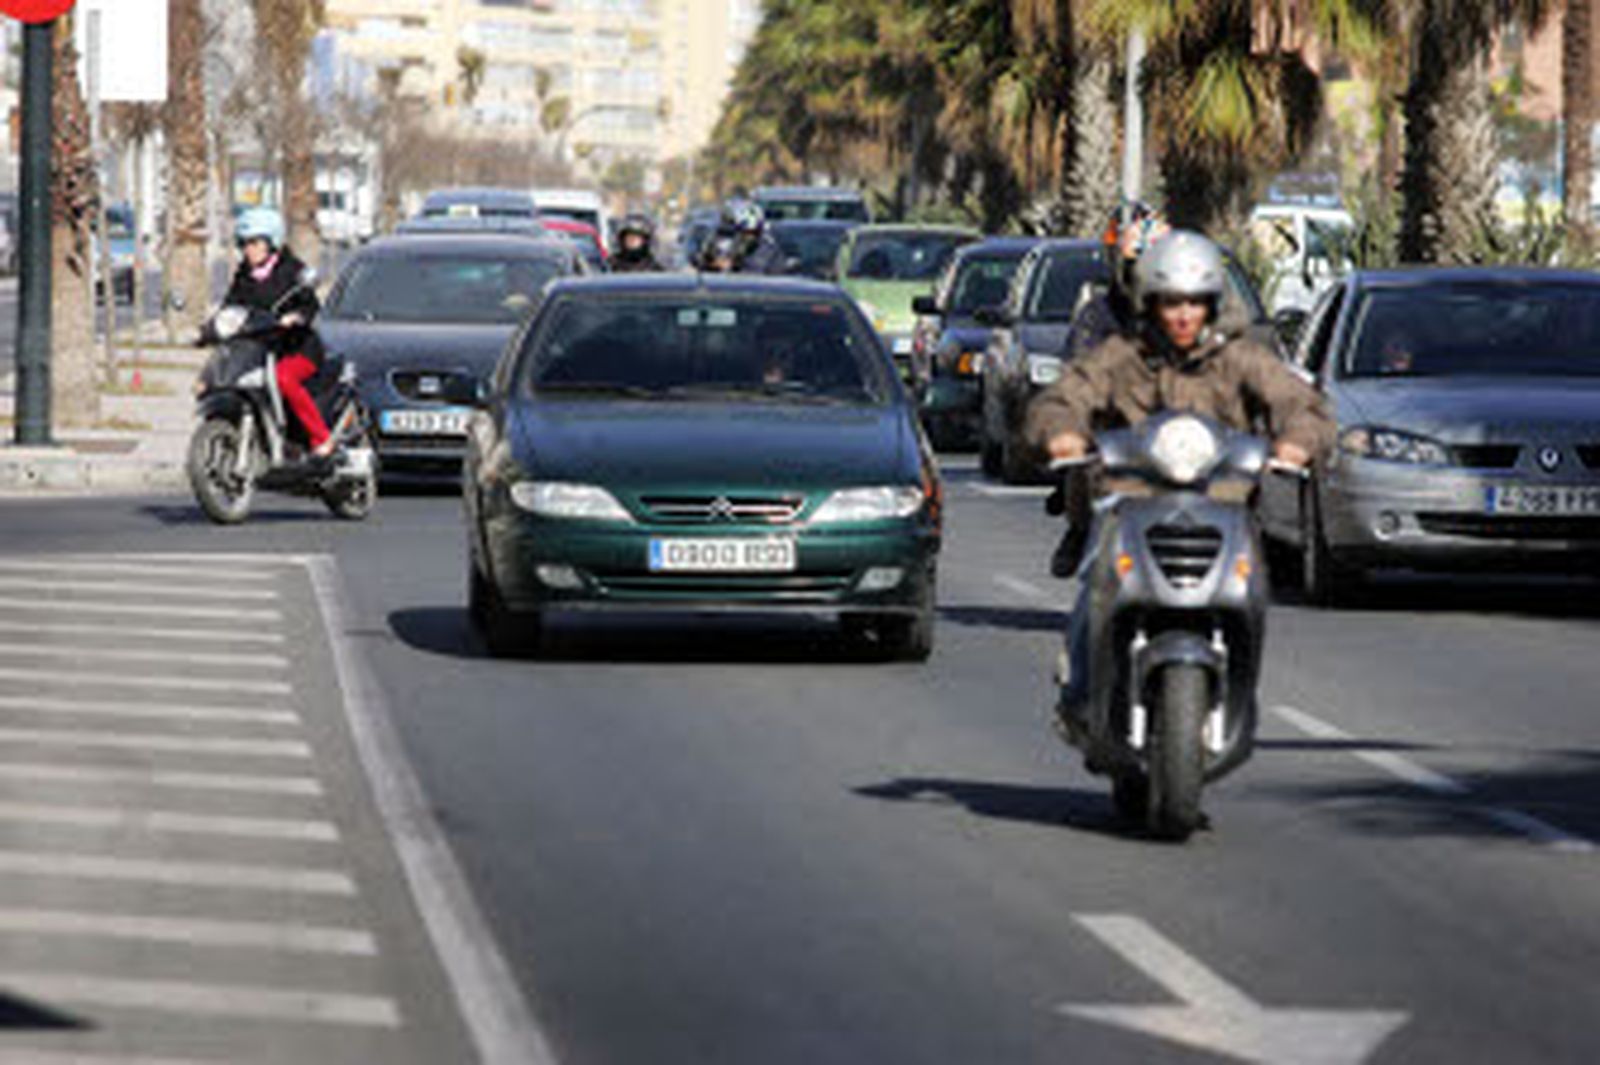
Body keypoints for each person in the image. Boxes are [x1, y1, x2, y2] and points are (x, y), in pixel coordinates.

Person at [1027, 230, 1335, 713]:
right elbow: (1065, 395)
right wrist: (1063, 432)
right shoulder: (1121, 356)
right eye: (1171, 302)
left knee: (1251, 587)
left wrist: (1296, 443)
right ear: (1150, 301)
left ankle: (1237, 682)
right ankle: (1079, 690)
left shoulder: (1242, 358)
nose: (1183, 314)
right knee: (1096, 586)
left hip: (1222, 505)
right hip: (1130, 503)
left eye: (1195, 302)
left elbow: (1302, 403)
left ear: (1212, 303)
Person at [222, 208, 334, 458]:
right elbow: (231, 305)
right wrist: (215, 326)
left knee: (283, 379)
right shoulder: (244, 275)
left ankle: (320, 438)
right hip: (260, 349)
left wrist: (296, 318)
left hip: (297, 348)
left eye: (254, 242)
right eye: (244, 243)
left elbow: (310, 305)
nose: (248, 249)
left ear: (271, 242)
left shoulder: (292, 271)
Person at [721, 199, 786, 275]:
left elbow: (775, 276)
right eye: (744, 231)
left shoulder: (771, 250)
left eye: (752, 232)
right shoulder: (734, 245)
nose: (748, 235)